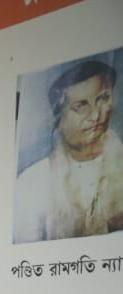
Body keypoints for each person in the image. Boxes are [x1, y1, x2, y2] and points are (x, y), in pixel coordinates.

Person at [15, 59, 123, 242]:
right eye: (81, 106)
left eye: (102, 99)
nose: (96, 115)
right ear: (59, 117)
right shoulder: (32, 181)